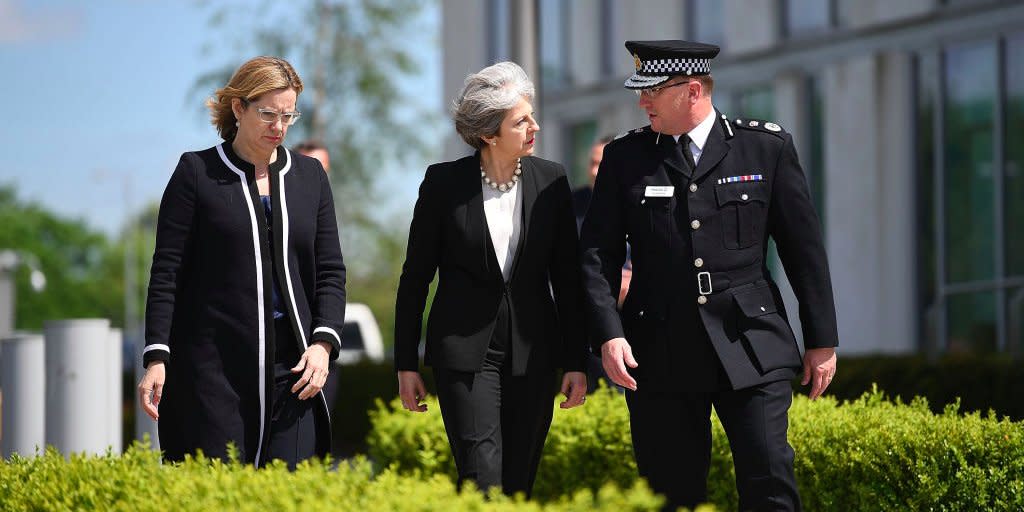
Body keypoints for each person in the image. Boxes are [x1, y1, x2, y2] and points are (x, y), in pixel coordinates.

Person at [579, 40, 839, 511]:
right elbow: (596, 255)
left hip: (752, 342)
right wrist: (608, 335)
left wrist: (822, 339)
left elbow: (804, 251)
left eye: (652, 91)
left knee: (770, 483)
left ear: (692, 89)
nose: (642, 102)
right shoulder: (626, 158)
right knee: (671, 495)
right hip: (658, 353)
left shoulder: (765, 147)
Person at [137, 56, 347, 469]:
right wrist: (157, 356)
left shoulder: (310, 177)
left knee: (292, 492)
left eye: (289, 116)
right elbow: (166, 273)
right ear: (238, 108)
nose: (280, 127)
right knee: (221, 490)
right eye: (268, 114)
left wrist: (323, 344)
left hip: (296, 369)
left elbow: (331, 271)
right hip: (215, 369)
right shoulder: (195, 173)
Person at [394, 61, 588, 497]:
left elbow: (568, 280)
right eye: (521, 120)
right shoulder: (442, 183)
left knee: (519, 484)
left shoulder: (552, 180)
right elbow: (415, 278)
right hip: (464, 355)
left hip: (535, 353)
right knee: (482, 480)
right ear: (488, 132)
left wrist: (576, 360)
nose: (534, 125)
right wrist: (405, 362)